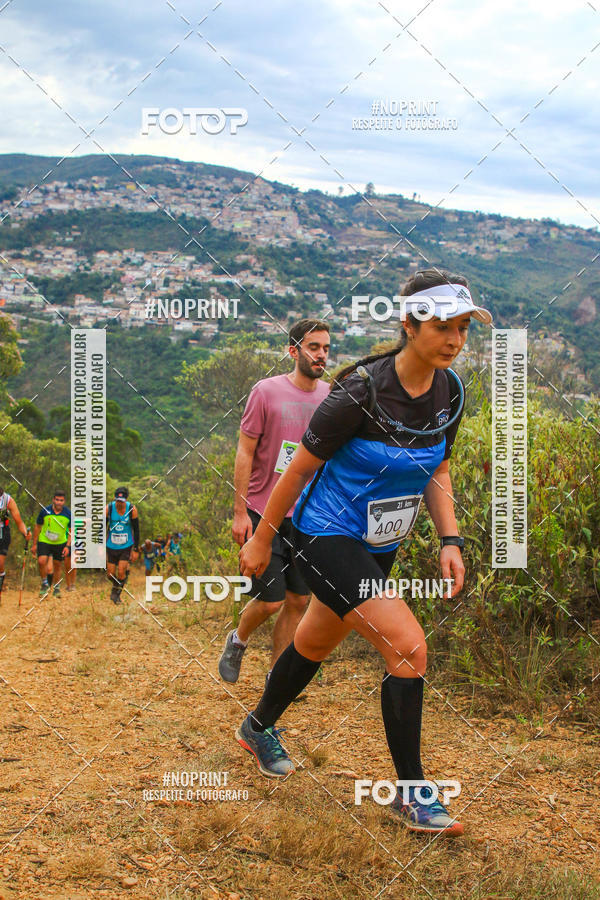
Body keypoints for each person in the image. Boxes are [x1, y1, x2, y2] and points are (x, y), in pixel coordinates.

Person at [235, 270, 493, 837]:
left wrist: (450, 538)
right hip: (325, 534)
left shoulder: (450, 391)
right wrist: (259, 537)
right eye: (443, 327)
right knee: (408, 647)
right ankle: (411, 793)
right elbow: (299, 467)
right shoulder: (361, 390)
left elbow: (438, 468)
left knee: (315, 641)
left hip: (381, 541)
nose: (454, 340)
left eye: (463, 329)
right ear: (408, 325)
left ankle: (257, 727)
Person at [218, 319, 330, 684]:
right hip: (262, 511)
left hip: (306, 516)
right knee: (270, 601)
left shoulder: (331, 397)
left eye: (326, 349)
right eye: (314, 347)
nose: (321, 355)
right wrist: (239, 512)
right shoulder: (266, 392)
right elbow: (245, 451)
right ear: (293, 350)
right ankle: (238, 640)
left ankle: (276, 678)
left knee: (298, 601)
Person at [32, 490, 72, 597]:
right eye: (57, 500)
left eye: (61, 500)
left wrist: (68, 546)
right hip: (45, 540)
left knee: (57, 565)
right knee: (41, 561)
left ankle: (57, 587)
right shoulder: (45, 511)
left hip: (60, 543)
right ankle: (45, 583)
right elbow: (38, 526)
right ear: (53, 500)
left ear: (64, 501)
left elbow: (72, 531)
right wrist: (34, 544)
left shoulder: (68, 513)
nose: (59, 502)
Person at [106, 486, 139, 604]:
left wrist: (136, 549)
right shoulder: (109, 508)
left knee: (120, 572)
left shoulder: (132, 509)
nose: (120, 503)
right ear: (115, 499)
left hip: (126, 545)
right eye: (118, 501)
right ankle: (117, 585)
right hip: (111, 545)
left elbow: (136, 529)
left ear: (126, 499)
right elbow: (102, 527)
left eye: (122, 501)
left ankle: (116, 595)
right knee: (110, 574)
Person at [0, 488, 31, 598]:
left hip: (2, 532)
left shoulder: (7, 500)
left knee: (0, 563)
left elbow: (19, 521)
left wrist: (25, 533)